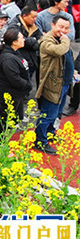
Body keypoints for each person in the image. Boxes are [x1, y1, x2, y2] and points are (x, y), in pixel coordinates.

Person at [35, 13, 72, 155]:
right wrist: (66, 40)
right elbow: (59, 51)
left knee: (56, 114)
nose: (62, 30)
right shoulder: (47, 41)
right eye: (60, 26)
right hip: (52, 84)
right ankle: (40, 141)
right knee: (48, 114)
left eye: (66, 28)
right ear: (52, 25)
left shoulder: (61, 39)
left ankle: (50, 134)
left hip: (64, 82)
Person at [0, 29, 31, 128]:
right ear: (14, 42)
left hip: (16, 94)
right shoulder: (8, 59)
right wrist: (27, 85)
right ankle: (2, 142)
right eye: (22, 38)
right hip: (9, 94)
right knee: (5, 122)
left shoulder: (15, 53)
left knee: (14, 120)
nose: (24, 40)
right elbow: (14, 78)